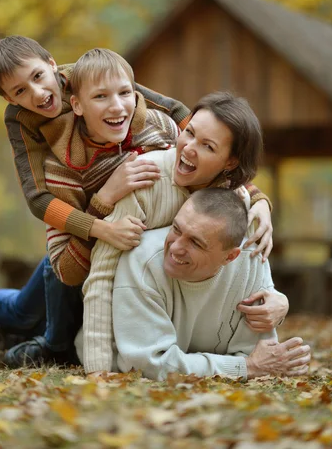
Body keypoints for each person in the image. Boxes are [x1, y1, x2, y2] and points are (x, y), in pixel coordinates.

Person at [0, 39, 189, 365]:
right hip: (73, 217)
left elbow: (173, 109)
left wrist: (242, 184)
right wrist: (97, 226)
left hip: (98, 211)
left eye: (37, 76)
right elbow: (37, 198)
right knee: (22, 309)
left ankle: (32, 338)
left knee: (42, 306)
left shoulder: (89, 77)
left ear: (52, 63)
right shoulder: (22, 119)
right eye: (19, 92)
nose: (36, 93)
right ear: (8, 99)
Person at [79, 92, 285, 374]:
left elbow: (254, 272)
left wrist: (279, 301)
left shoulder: (237, 204)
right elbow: (100, 277)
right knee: (30, 312)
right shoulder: (143, 180)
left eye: (207, 146)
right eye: (188, 133)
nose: (188, 148)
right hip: (82, 274)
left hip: (157, 309)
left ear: (230, 163)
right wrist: (97, 369)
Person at [109, 189, 310, 380]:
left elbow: (255, 353)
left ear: (230, 256)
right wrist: (245, 367)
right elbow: (147, 365)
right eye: (176, 229)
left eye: (195, 243)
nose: (176, 248)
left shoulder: (252, 261)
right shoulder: (141, 259)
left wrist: (250, 363)